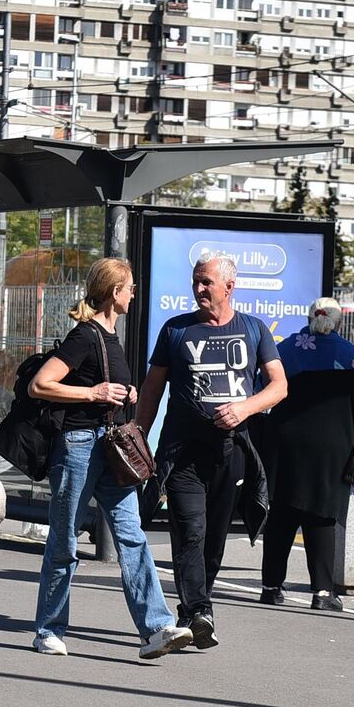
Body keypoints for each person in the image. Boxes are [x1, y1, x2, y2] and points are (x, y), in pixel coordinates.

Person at [27, 258, 195, 660]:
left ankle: (156, 627)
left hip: (110, 448)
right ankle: (48, 629)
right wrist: (94, 394)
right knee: (64, 539)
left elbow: (102, 383)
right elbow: (40, 384)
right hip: (78, 447)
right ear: (115, 293)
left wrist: (126, 393)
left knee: (132, 536)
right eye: (130, 288)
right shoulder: (84, 335)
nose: (134, 294)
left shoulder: (110, 336)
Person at [134, 254, 287, 649]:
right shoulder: (176, 330)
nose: (199, 289)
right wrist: (139, 438)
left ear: (229, 287)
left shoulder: (253, 330)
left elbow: (278, 386)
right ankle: (199, 610)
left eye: (207, 282)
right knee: (190, 531)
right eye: (196, 281)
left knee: (214, 540)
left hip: (232, 452)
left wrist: (245, 408)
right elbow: (152, 390)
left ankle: (195, 611)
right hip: (183, 452)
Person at [257, 298, 354, 611]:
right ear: (338, 322)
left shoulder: (286, 349)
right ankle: (323, 593)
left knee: (282, 515)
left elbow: (262, 387)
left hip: (284, 444)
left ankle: (271, 587)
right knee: (321, 517)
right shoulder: (352, 356)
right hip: (333, 449)